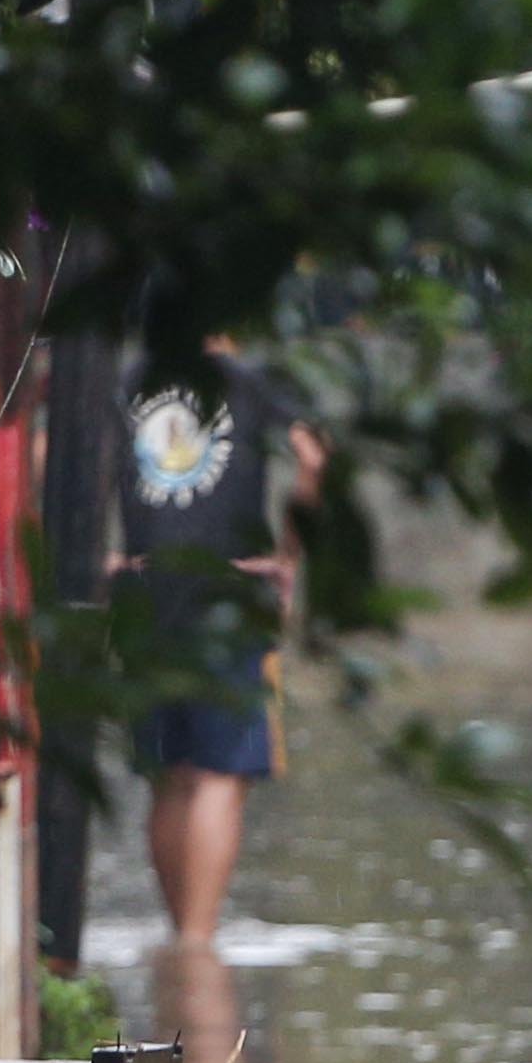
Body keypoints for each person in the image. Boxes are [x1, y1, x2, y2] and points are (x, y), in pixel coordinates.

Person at [125, 334, 326, 974]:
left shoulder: (132, 375)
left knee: (170, 769)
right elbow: (312, 457)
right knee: (218, 774)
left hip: (145, 585)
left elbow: (66, 457)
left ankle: (174, 932)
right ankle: (197, 944)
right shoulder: (252, 379)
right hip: (231, 584)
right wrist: (290, 553)